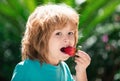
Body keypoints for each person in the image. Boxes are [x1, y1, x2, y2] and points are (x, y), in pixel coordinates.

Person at [11, 3, 91, 81]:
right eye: (58, 33)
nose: (67, 39)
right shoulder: (26, 69)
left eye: (70, 33)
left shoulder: (64, 69)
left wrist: (81, 71)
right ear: (41, 39)